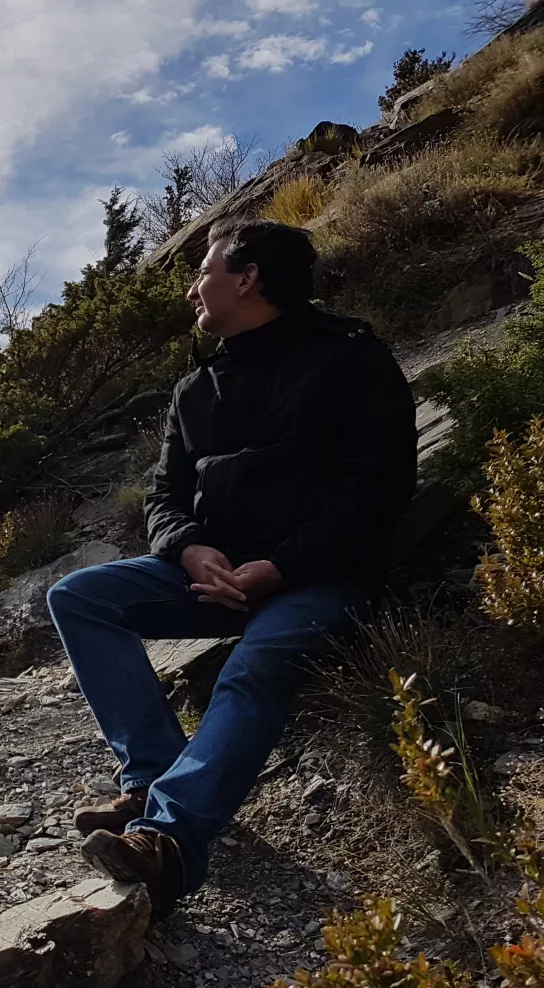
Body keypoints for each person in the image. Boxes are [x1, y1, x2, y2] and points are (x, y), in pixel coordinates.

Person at [45, 217, 417, 915]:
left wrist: (280, 566)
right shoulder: (195, 389)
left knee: (253, 667)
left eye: (204, 273)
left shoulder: (349, 357)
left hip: (322, 578)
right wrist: (189, 546)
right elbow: (162, 495)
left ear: (247, 279)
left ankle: (169, 842)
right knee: (80, 597)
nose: (192, 290)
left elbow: (379, 488)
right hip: (215, 576)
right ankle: (153, 776)